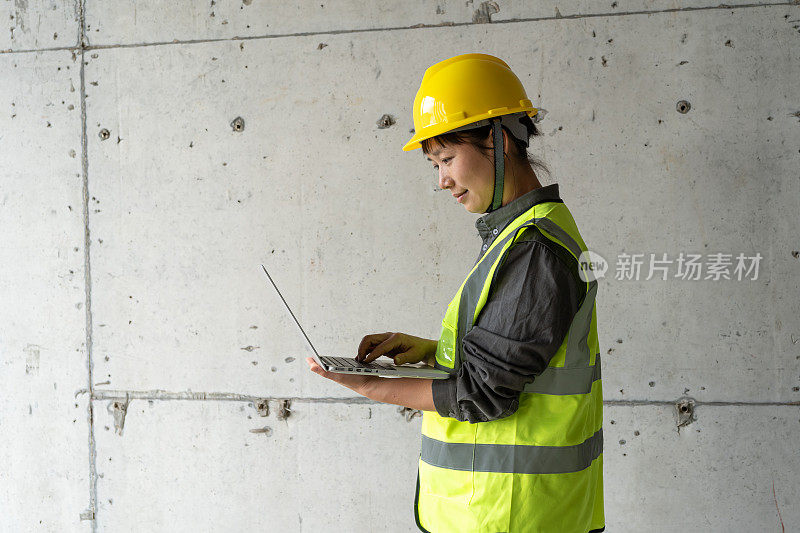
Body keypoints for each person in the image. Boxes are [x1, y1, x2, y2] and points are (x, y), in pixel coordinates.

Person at [306, 53, 604, 533]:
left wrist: (370, 386)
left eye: (447, 159)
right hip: (504, 512)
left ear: (501, 141)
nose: (441, 180)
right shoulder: (518, 236)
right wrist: (432, 350)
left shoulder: (535, 251)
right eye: (434, 163)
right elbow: (513, 356)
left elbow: (484, 393)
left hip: (511, 515)